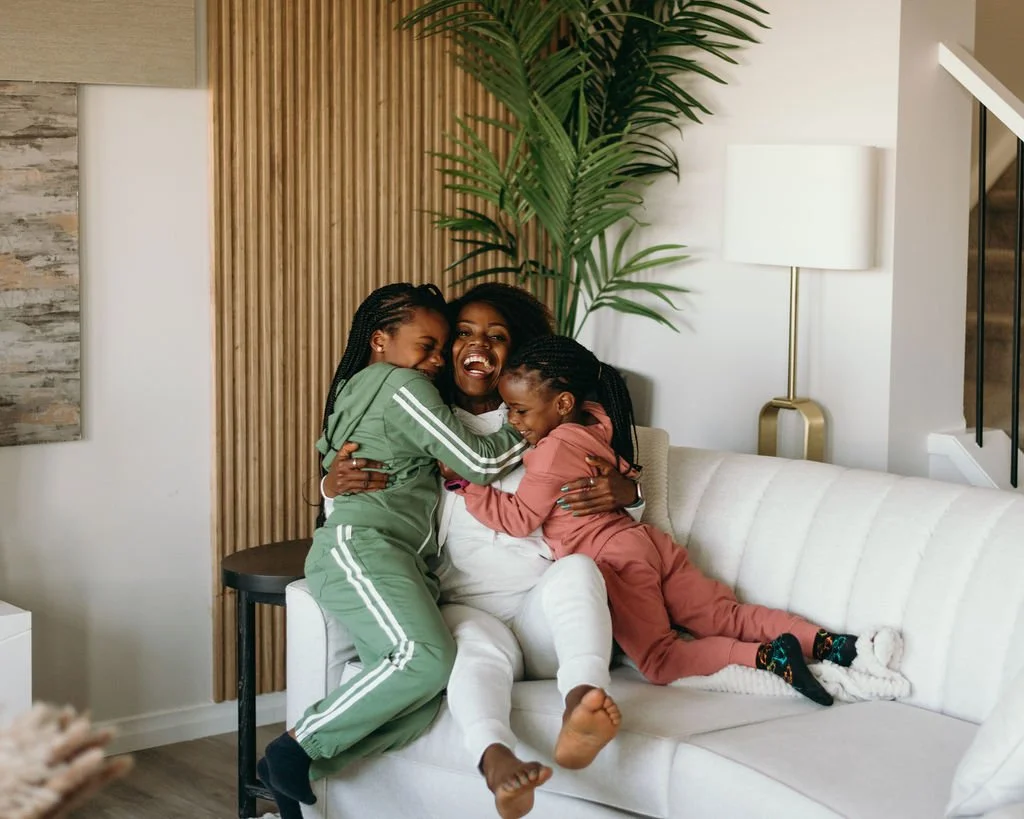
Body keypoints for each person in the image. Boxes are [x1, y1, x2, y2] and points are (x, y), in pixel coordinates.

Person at [323, 284, 640, 819]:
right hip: (463, 604)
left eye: (497, 336)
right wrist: (333, 487)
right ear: (445, 349)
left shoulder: (549, 421)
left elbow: (615, 525)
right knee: (470, 652)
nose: (478, 345)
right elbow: (363, 515)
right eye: (464, 334)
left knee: (579, 573)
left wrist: (630, 493)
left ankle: (582, 702)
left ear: (517, 353)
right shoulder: (421, 420)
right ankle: (496, 759)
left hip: (538, 606)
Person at [454, 335, 861, 706]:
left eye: (521, 411)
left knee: (660, 659)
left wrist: (464, 484)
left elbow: (519, 517)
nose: (513, 422)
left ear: (562, 403)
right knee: (725, 615)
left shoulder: (550, 452)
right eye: (510, 410)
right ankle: (827, 643)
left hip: (613, 561)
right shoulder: (598, 421)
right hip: (644, 541)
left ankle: (766, 656)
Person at [258, 283, 529, 819]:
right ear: (380, 340)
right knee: (423, 659)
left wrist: (329, 484)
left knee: (420, 700)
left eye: (438, 348)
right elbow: (480, 463)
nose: (433, 360)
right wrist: (534, 424)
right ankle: (294, 749)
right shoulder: (402, 385)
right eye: (426, 346)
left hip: (395, 558)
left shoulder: (376, 388)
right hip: (364, 549)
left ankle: (299, 764)